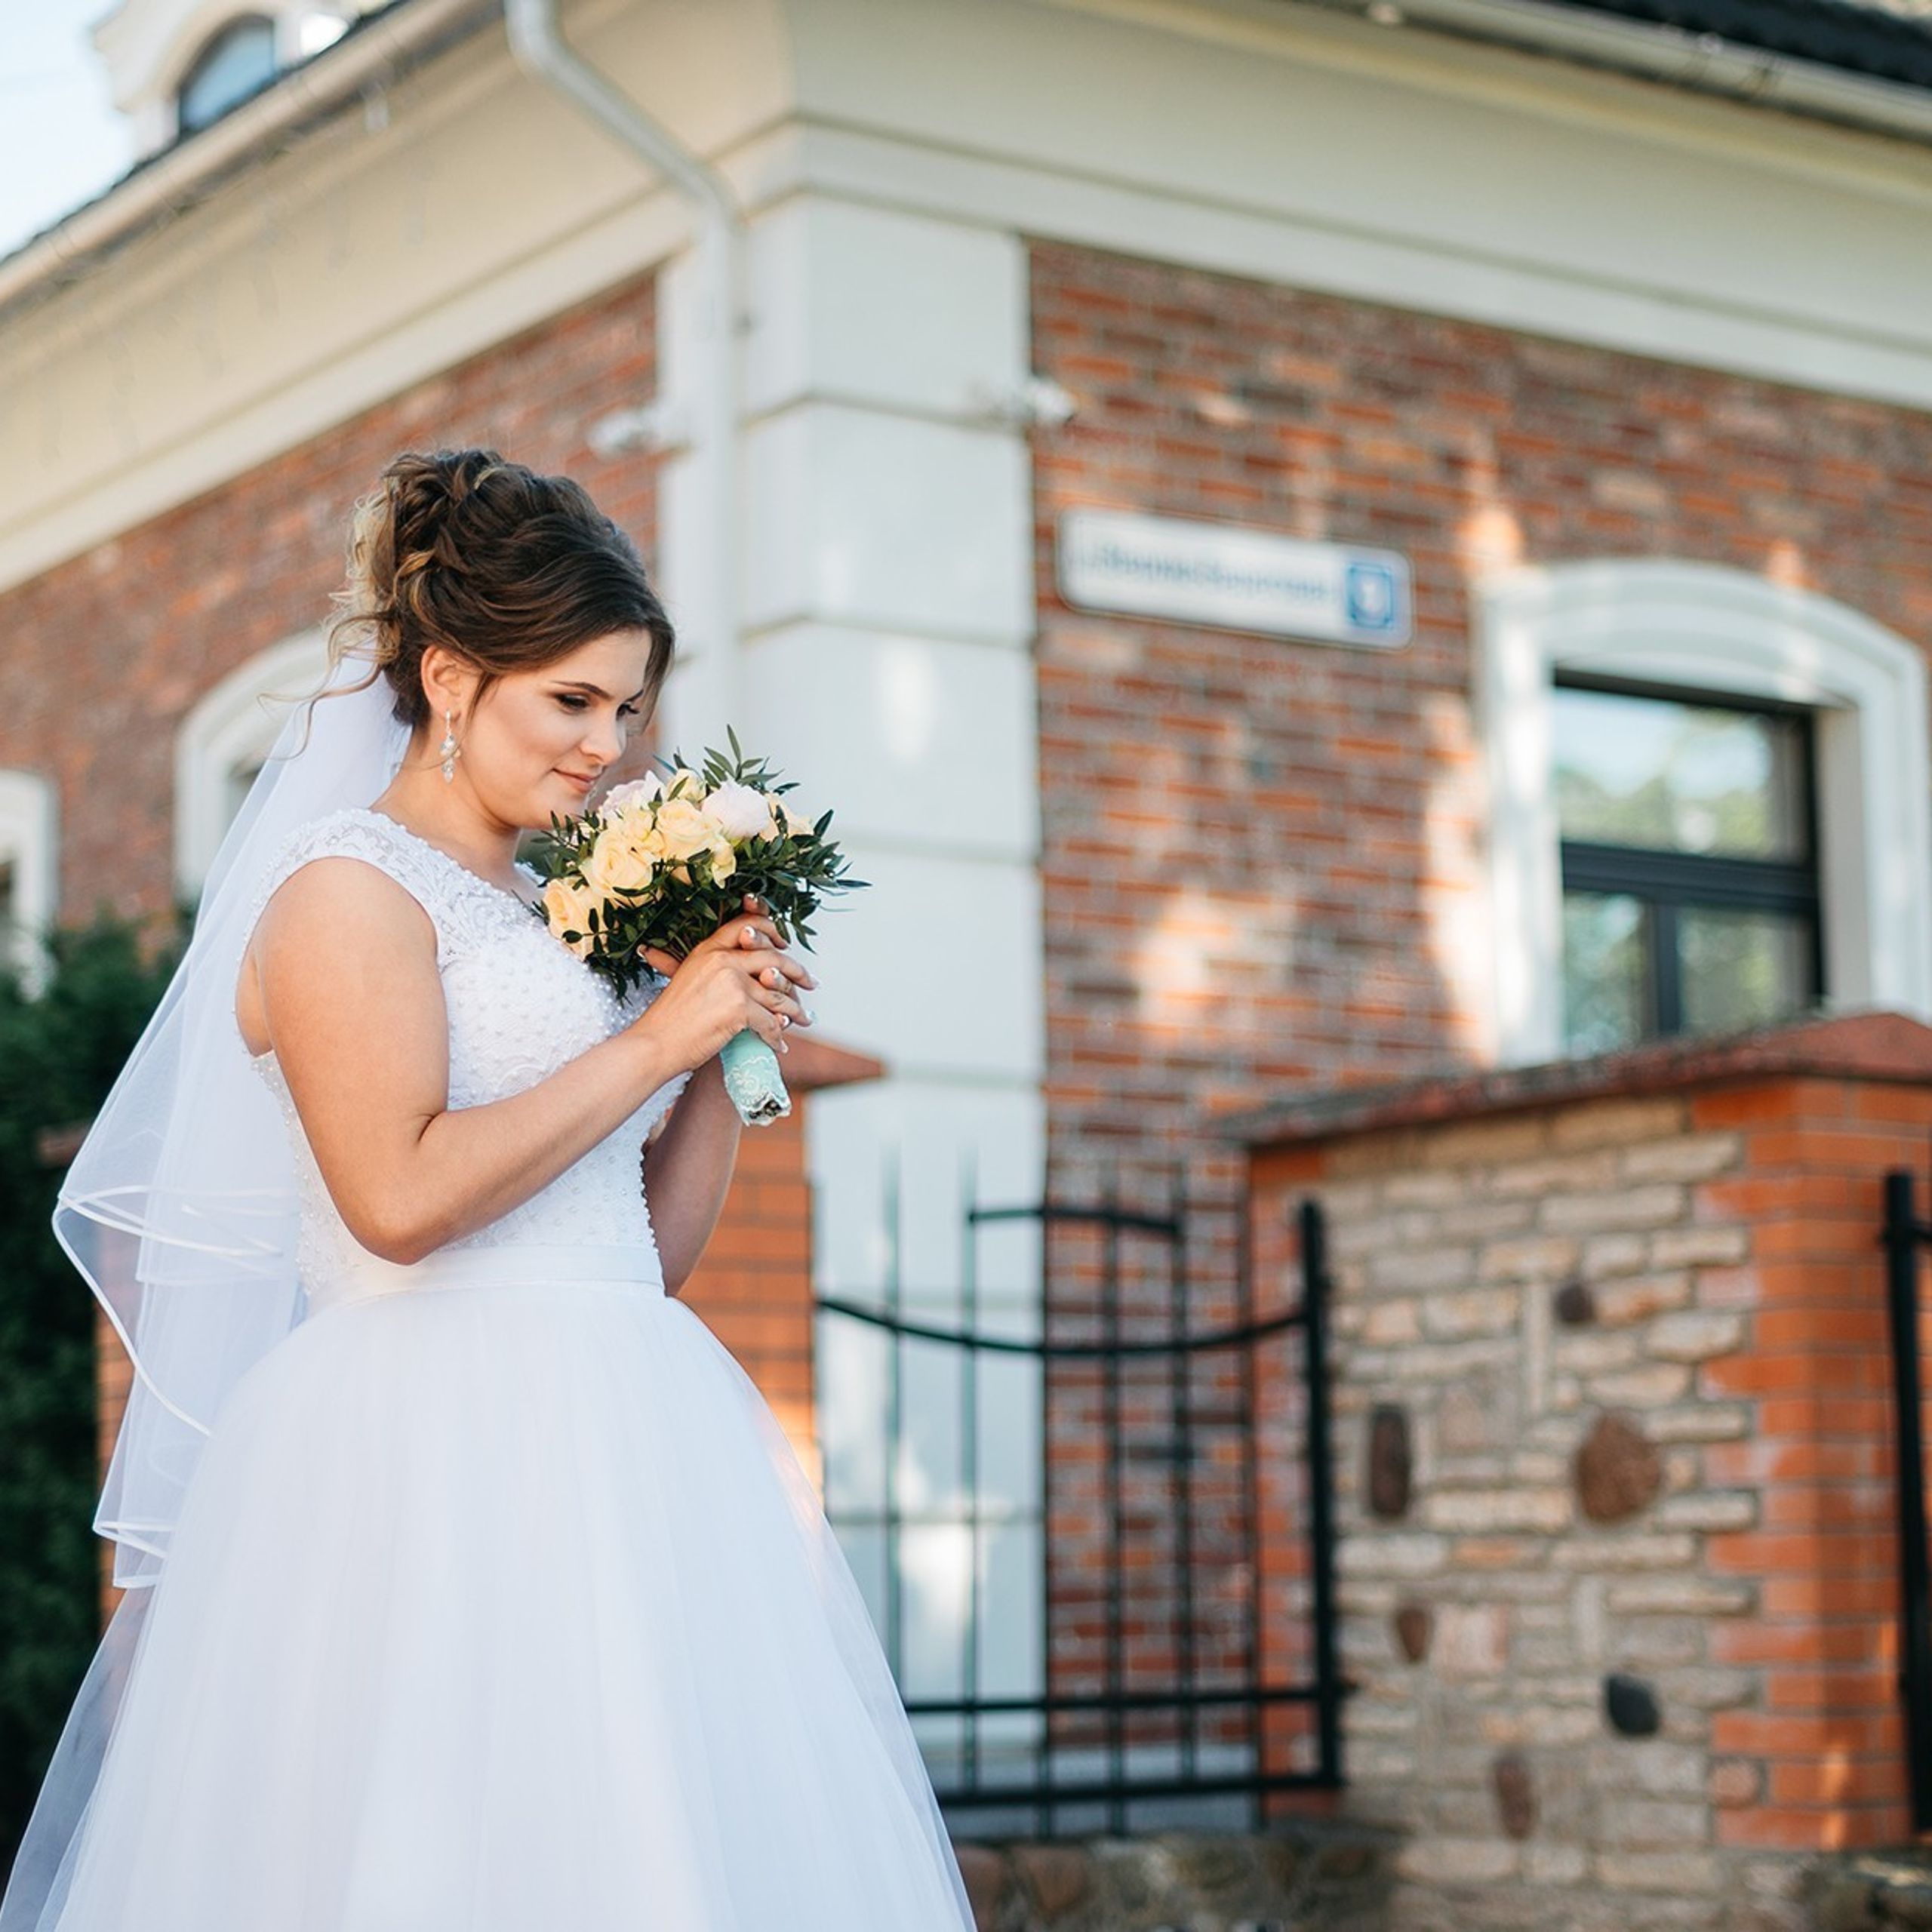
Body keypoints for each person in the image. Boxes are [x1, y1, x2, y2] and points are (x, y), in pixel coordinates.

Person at [0, 450, 977, 1930]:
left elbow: (638, 1254)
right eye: (571, 700)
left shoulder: (557, 917)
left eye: (627, 706)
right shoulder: (345, 892)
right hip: (419, 1437)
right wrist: (653, 1032)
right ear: (450, 677)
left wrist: (716, 1045)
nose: (607, 744)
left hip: (627, 1421)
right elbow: (394, 1193)